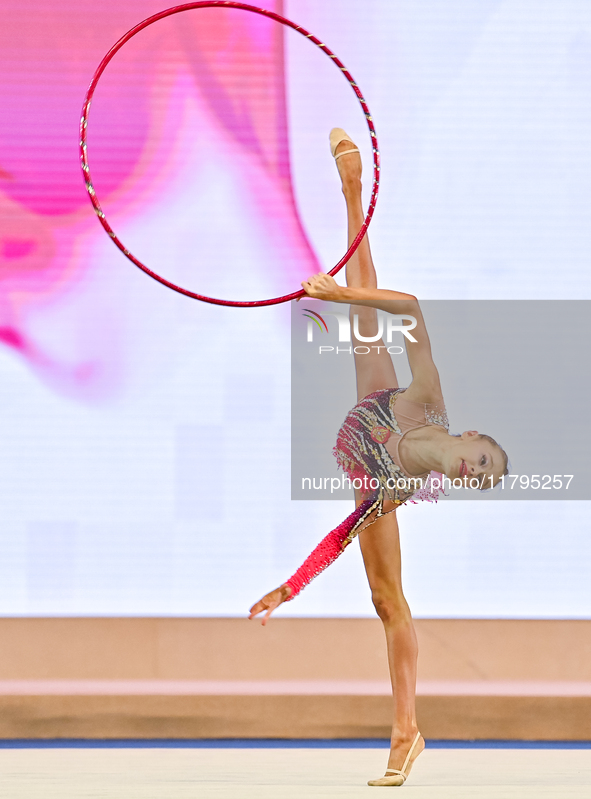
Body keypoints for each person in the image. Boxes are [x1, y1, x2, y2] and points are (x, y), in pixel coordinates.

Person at [249, 129, 508, 787]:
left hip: (374, 462)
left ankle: (405, 730)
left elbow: (342, 533)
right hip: (386, 410)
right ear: (469, 437)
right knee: (366, 313)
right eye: (479, 459)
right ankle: (351, 192)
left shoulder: (402, 486)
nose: (469, 471)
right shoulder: (428, 401)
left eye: (474, 480)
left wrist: (289, 586)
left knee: (387, 600)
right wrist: (336, 299)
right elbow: (410, 309)